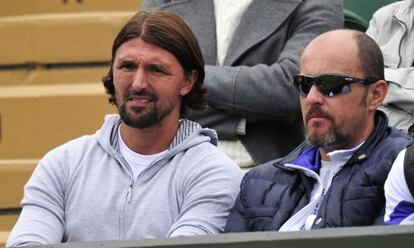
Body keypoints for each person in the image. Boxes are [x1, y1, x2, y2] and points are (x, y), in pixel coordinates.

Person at [6, 10, 242, 246]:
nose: (138, 83)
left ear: (187, 81)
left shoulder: (214, 172)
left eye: (156, 69)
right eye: (127, 66)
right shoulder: (63, 164)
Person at [224, 29, 414, 232]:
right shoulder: (258, 182)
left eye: (331, 84)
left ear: (375, 95)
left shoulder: (405, 169)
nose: (312, 98)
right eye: (303, 84)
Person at [141, 0, 344, 168]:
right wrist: (247, 113)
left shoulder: (316, 2)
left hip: (265, 173)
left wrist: (181, 80)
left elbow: (295, 88)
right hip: (168, 162)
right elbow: (146, 84)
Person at [366, 0, 414, 134]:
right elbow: (356, 77)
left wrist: (376, 82)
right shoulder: (385, 17)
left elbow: (363, 80)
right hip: (373, 137)